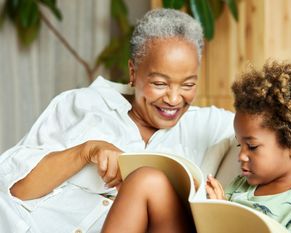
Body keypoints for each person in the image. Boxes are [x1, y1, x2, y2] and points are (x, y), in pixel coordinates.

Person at [0, 9, 234, 233]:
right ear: (133, 72)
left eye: (188, 85)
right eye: (160, 84)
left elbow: (266, 122)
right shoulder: (81, 105)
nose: (174, 99)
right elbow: (18, 189)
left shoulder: (208, 125)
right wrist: (87, 151)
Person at [101, 60, 291, 233]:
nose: (242, 156)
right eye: (240, 145)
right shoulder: (241, 186)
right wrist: (206, 206)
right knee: (146, 179)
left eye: (253, 147)